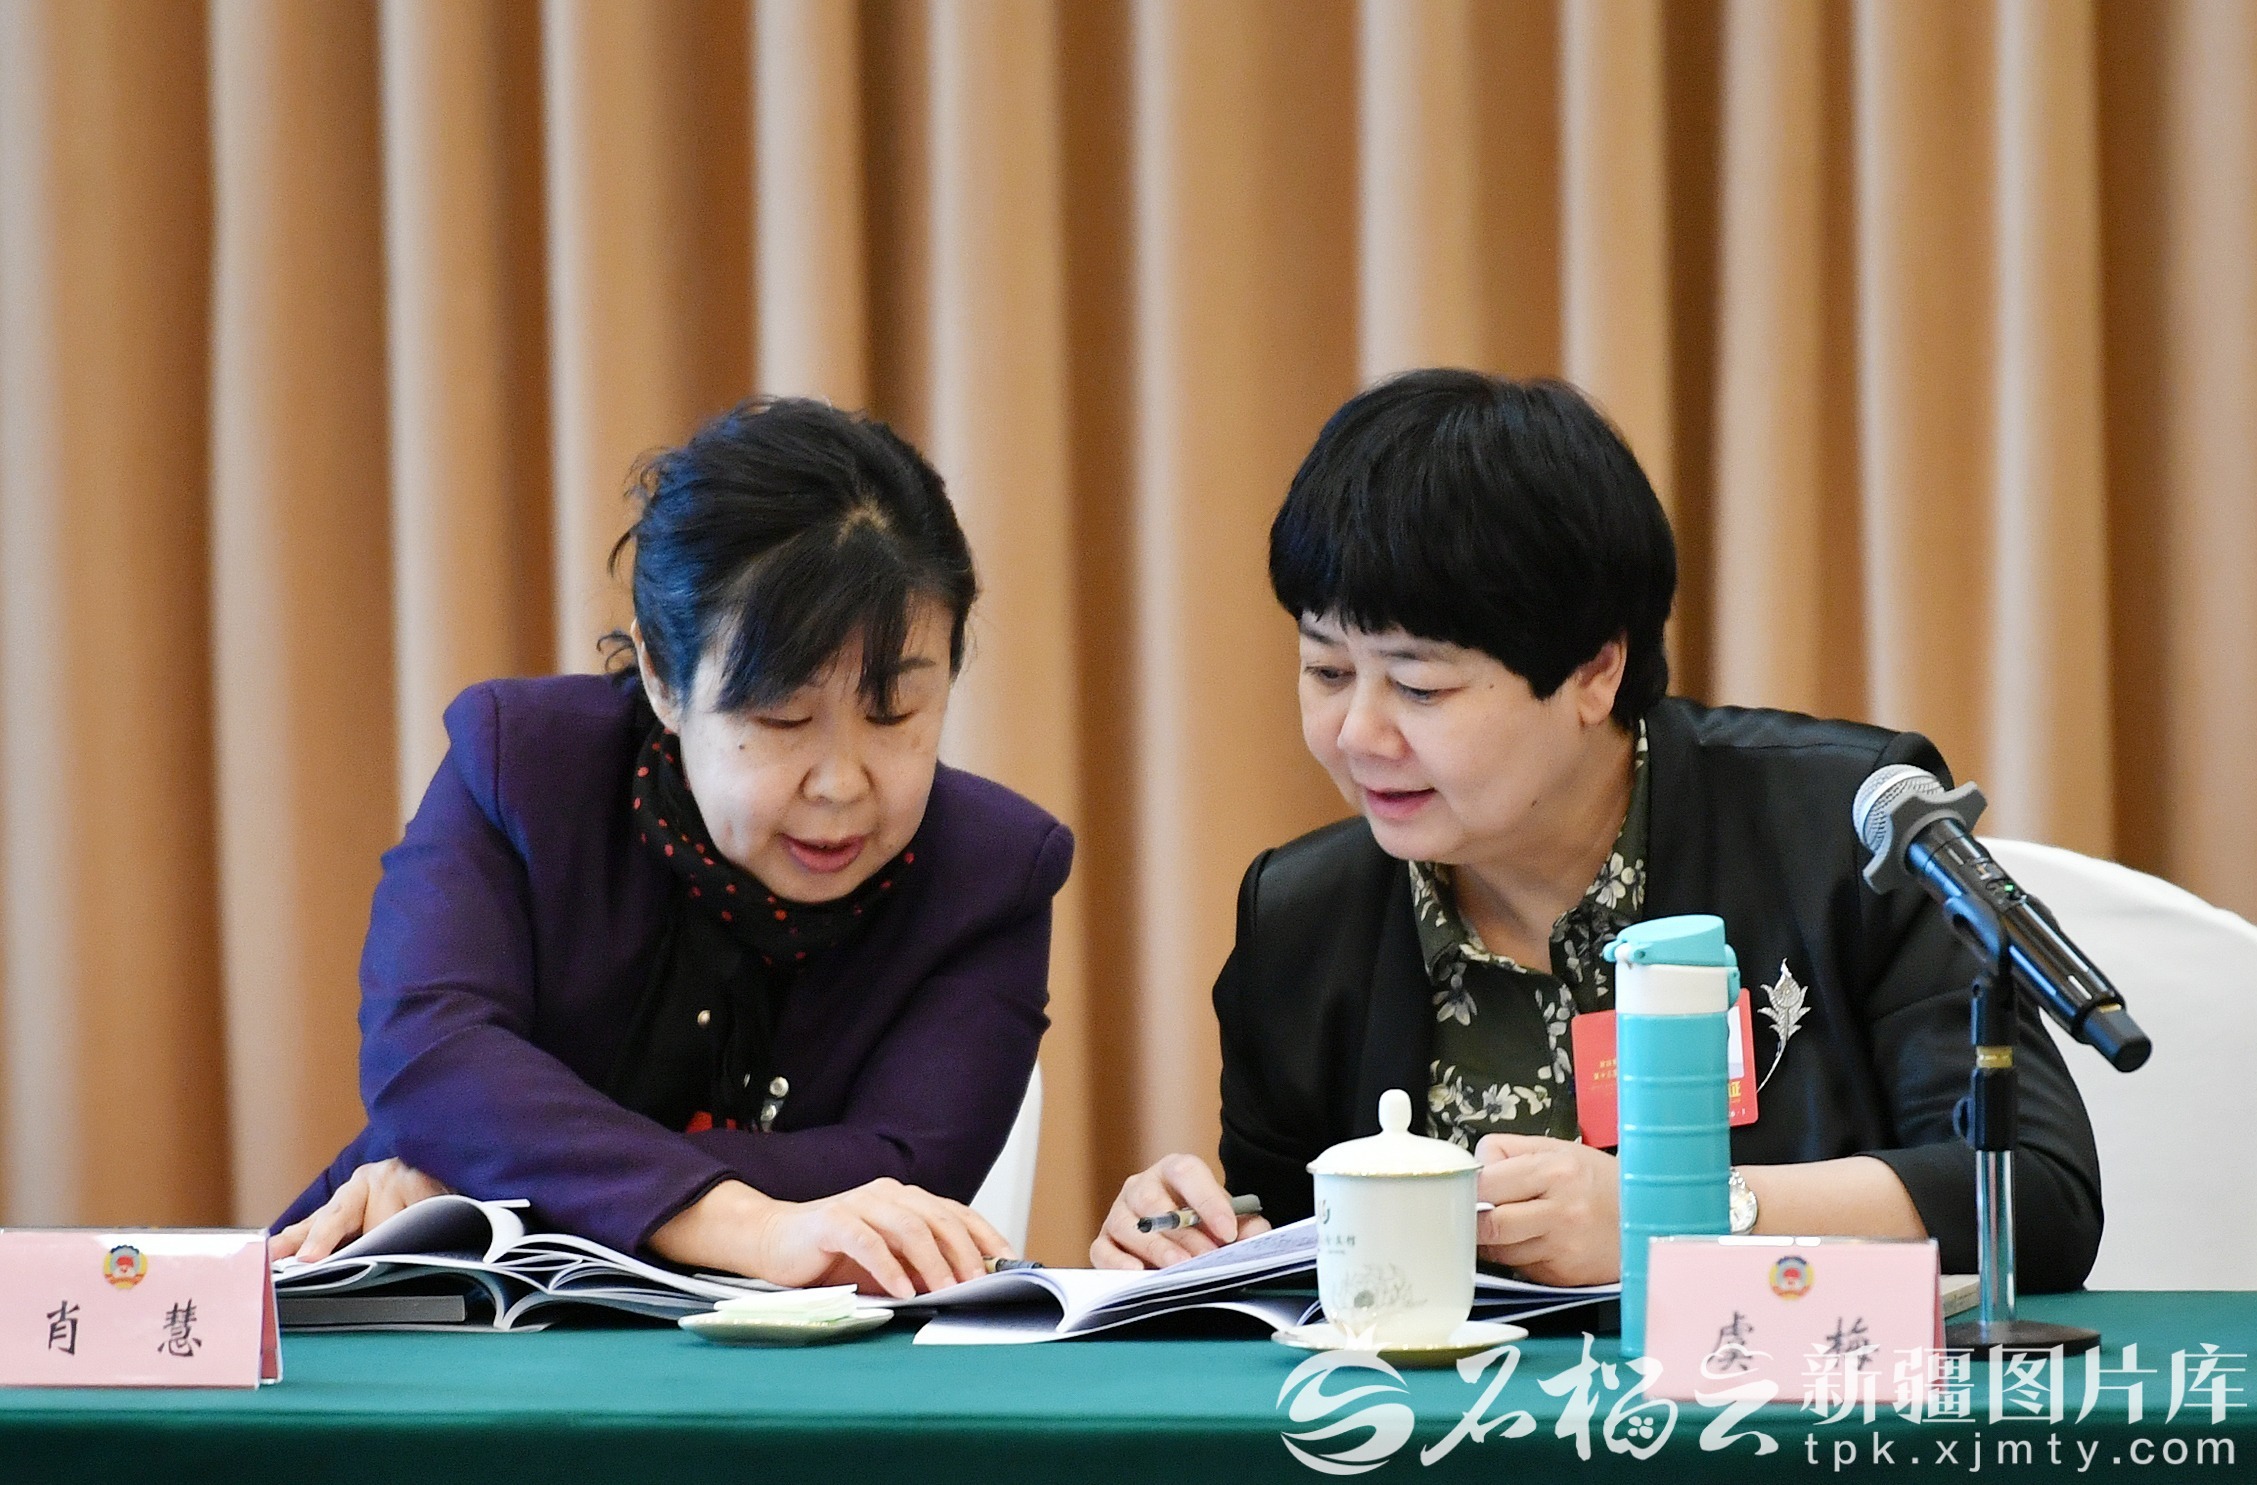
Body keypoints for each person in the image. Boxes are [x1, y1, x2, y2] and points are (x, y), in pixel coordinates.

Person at [1092, 370, 2103, 1293]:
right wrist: (1195, 1240)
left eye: (1418, 686)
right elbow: (1296, 1260)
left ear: (1593, 671)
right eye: (1325, 671)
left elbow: (2035, 1195)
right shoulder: (1301, 919)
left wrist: (1680, 1214)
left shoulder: (1843, 831)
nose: (1356, 733)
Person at [271, 399, 1072, 1298]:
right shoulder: (523, 766)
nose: (840, 783)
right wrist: (752, 1226)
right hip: (434, 1295)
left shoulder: (993, 873)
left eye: (893, 713)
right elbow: (429, 1059)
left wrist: (491, 1169)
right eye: (783, 716)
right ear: (660, 675)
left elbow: (904, 1169)